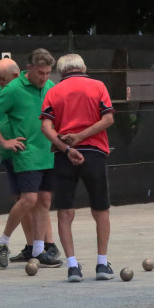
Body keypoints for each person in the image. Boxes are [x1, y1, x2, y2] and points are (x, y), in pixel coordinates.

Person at [0, 48, 62, 269]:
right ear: (29, 69)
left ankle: (38, 250)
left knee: (44, 201)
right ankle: (2, 242)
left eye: (47, 73)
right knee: (28, 200)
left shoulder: (50, 87)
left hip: (48, 153)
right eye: (40, 73)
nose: (43, 78)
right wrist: (3, 141)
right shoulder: (13, 89)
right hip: (26, 153)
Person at [40, 54, 115, 282]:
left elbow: (46, 126)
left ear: (61, 72)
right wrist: (81, 136)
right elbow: (108, 119)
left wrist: (65, 147)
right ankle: (102, 264)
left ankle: (72, 266)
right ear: (83, 67)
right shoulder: (98, 86)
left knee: (65, 210)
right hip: (94, 153)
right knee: (100, 209)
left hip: (64, 157)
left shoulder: (53, 91)